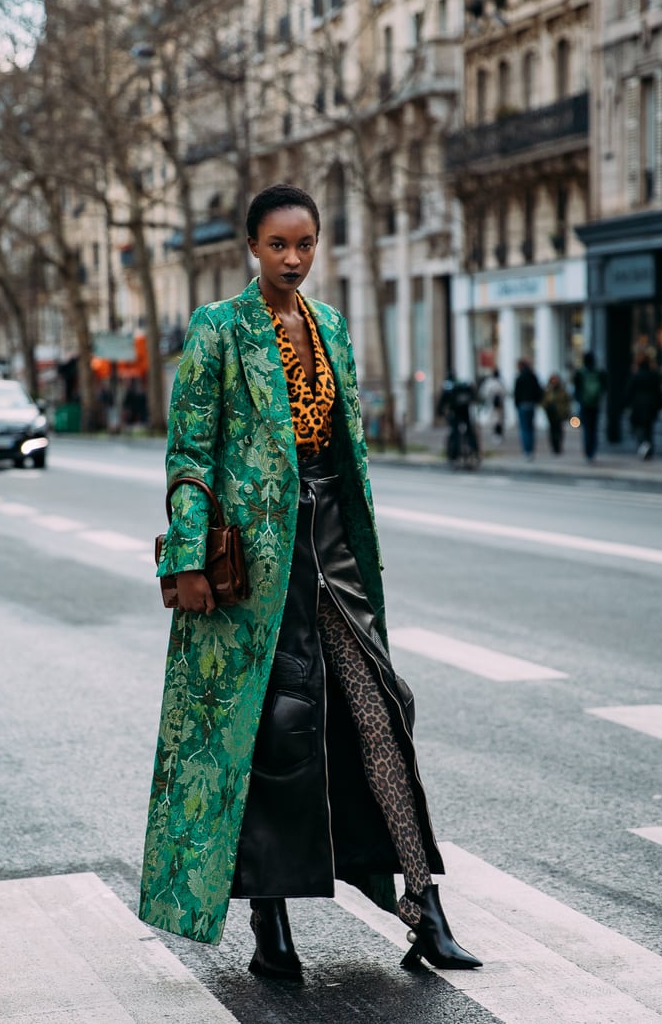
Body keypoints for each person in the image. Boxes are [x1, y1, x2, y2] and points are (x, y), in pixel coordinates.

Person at [140, 184, 481, 980]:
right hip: (257, 569)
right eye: (278, 246)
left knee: (380, 718)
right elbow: (190, 452)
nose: (293, 259)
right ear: (252, 248)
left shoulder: (329, 325)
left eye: (305, 244)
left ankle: (423, 909)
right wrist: (187, 558)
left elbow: (344, 451)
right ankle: (270, 924)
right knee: (269, 733)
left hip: (334, 555)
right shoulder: (219, 329)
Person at [624, 356, 662, 460]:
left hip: (638, 406)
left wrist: (626, 404)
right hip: (651, 406)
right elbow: (659, 392)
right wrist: (660, 404)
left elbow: (629, 391)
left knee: (640, 429)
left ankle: (644, 447)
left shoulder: (636, 376)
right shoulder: (654, 376)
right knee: (648, 429)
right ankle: (648, 448)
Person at [436, 372, 479, 462]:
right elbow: (473, 397)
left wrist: (440, 412)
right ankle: (474, 450)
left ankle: (454, 455)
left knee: (454, 431)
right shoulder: (462, 385)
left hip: (455, 411)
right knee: (469, 430)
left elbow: (443, 400)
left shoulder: (448, 386)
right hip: (465, 410)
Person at [573, 351, 607, 462]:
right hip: (595, 404)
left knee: (587, 429)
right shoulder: (598, 372)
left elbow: (576, 389)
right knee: (594, 429)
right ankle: (593, 451)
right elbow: (604, 387)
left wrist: (579, 399)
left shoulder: (581, 373)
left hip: (584, 404)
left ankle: (588, 453)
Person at [513, 358, 543, 459]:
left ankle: (527, 451)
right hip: (531, 404)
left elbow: (516, 393)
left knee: (524, 428)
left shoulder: (520, 377)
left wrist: (517, 404)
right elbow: (538, 390)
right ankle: (530, 450)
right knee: (530, 428)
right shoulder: (532, 376)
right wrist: (536, 401)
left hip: (523, 405)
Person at [542, 373, 572, 455]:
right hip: (550, 413)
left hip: (560, 413)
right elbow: (544, 400)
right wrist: (545, 407)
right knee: (552, 429)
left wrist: (567, 411)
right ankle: (554, 446)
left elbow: (567, 401)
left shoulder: (561, 390)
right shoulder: (548, 390)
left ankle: (558, 446)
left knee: (559, 429)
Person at [479, 367, 506, 444]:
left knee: (496, 421)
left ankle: (497, 436)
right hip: (497, 405)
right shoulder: (500, 382)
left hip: (495, 405)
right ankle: (497, 436)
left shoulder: (489, 383)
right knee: (498, 421)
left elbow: (484, 393)